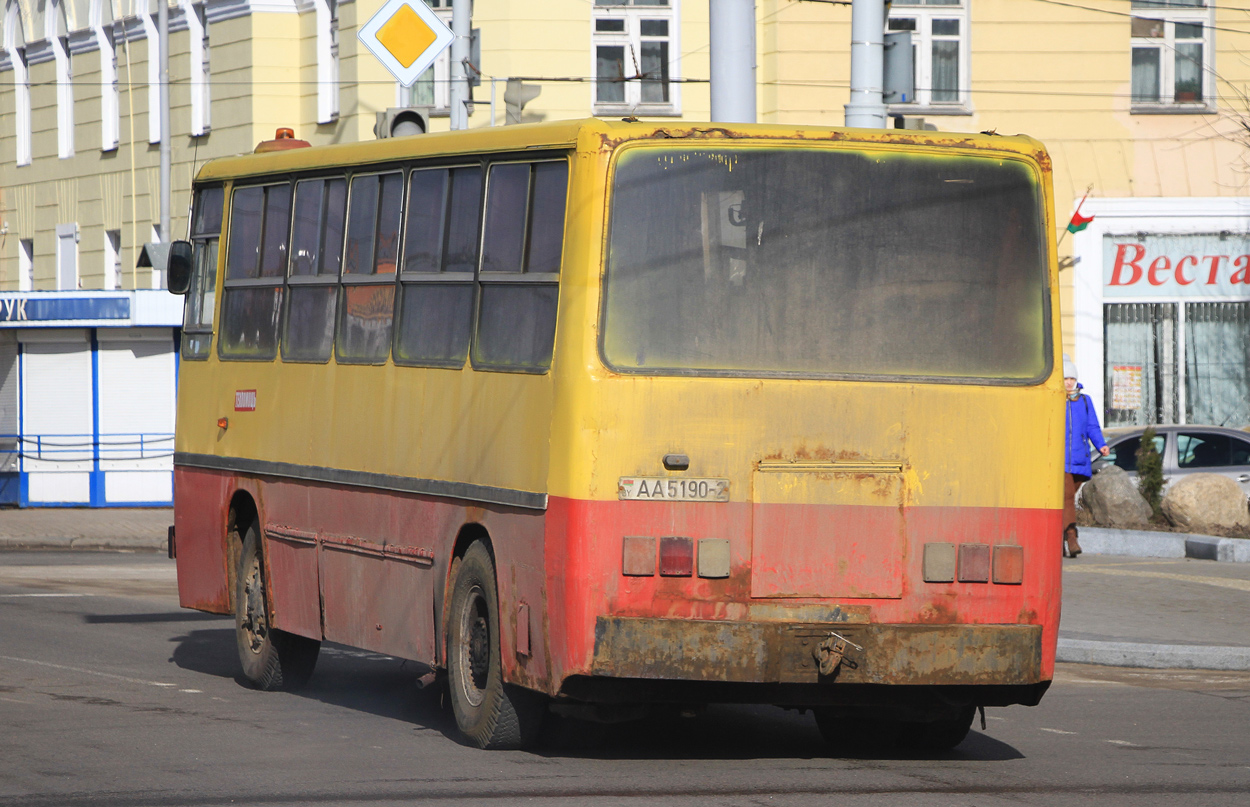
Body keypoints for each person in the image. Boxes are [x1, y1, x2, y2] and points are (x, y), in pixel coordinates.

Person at [1063, 356, 1107, 558]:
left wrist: (1101, 444)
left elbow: (1092, 427)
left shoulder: (1085, 401)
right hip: (1060, 461)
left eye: (1072, 377)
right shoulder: (1054, 400)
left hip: (1081, 459)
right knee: (1067, 497)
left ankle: (1060, 536)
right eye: (1065, 378)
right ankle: (1072, 537)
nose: (1069, 382)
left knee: (1065, 500)